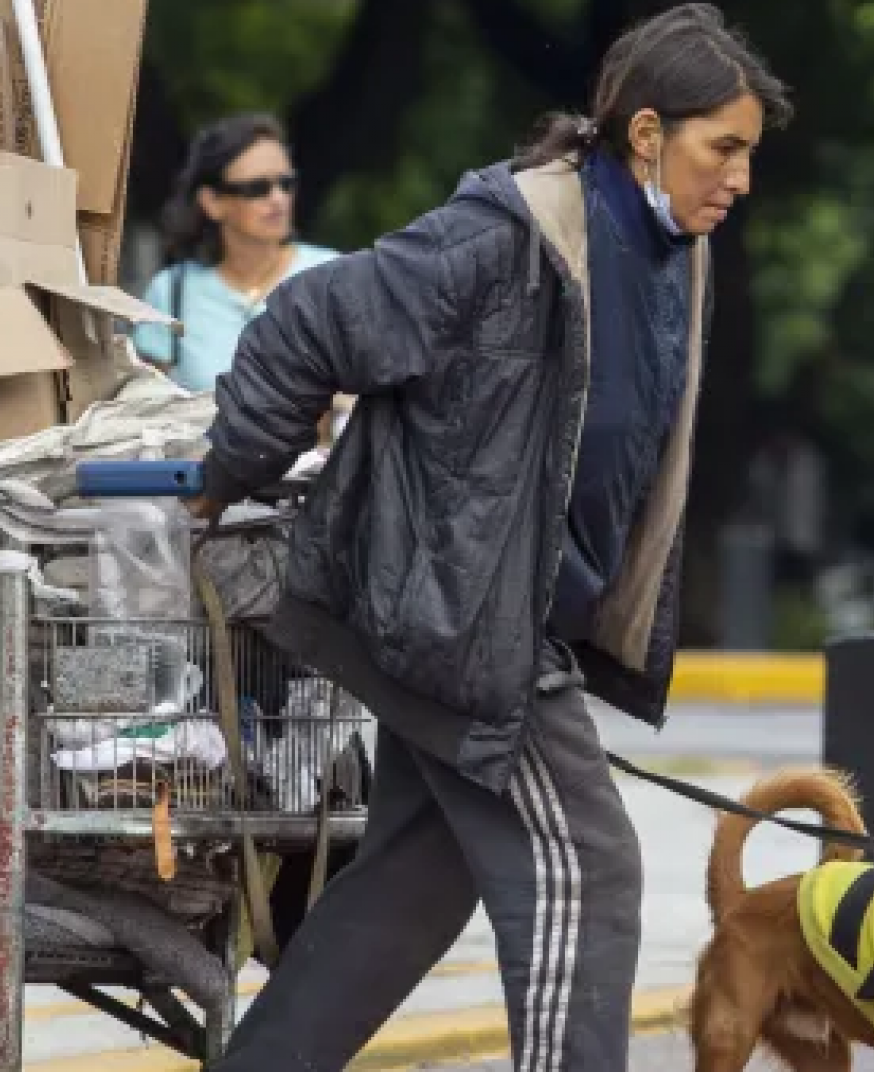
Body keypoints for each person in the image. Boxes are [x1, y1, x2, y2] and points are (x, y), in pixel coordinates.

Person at [187, 6, 789, 1069]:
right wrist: (228, 474)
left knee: (414, 886)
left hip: (499, 618)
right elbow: (309, 320)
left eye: (748, 154)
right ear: (648, 133)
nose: (739, 178)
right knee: (589, 870)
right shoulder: (504, 238)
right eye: (723, 148)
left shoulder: (667, 255)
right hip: (461, 624)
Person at [133, 114, 339, 394]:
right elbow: (148, 404)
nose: (278, 199)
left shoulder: (332, 276)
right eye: (257, 188)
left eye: (286, 184)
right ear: (212, 203)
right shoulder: (171, 290)